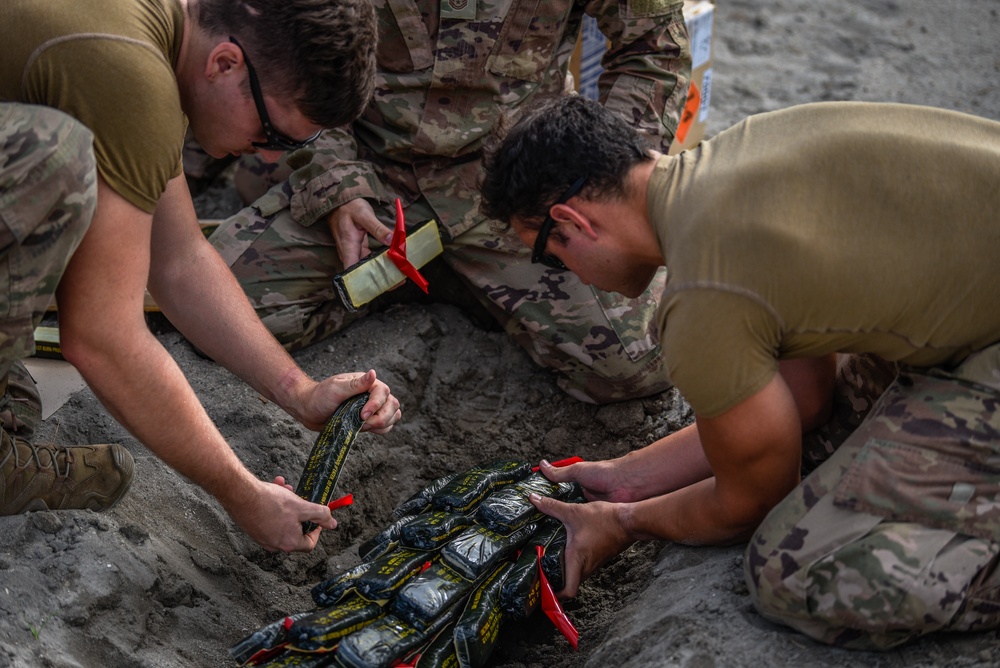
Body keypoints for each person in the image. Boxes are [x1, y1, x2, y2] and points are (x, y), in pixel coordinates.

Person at [478, 94, 1000, 649]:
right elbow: (807, 405)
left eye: (549, 258)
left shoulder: (704, 295)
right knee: (829, 436)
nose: (566, 275)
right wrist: (623, 477)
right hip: (972, 309)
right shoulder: (736, 156)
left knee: (792, 570)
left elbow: (750, 502)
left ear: (571, 222)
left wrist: (624, 521)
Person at [0, 0, 401, 553]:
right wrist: (244, 495)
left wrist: (299, 391)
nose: (266, 153)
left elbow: (179, 258)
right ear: (226, 64)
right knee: (53, 163)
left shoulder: (155, 31)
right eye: (276, 136)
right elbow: (102, 338)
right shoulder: (131, 76)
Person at [206, 0, 692, 404]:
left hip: (522, 189)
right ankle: (443, 279)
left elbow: (654, 49)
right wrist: (337, 186)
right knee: (219, 313)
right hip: (375, 174)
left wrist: (595, 184)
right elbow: (288, 55)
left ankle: (459, 280)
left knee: (639, 362)